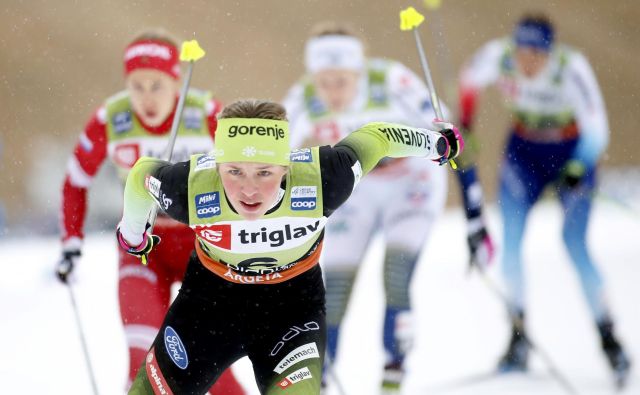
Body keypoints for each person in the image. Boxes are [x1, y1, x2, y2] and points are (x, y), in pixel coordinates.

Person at [118, 98, 462, 394]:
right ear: (217, 164)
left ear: (287, 166)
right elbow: (141, 175)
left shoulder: (323, 178)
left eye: (264, 172)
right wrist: (133, 235)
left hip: (290, 312)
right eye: (234, 171)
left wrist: (436, 145)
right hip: (208, 309)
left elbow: (379, 138)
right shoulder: (191, 187)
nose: (248, 190)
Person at [282, 22, 494, 392]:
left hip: (412, 186)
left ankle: (393, 373)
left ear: (359, 71)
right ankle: (320, 375)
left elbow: (456, 141)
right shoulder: (303, 96)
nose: (332, 92)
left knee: (396, 276)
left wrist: (475, 218)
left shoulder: (391, 82)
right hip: (359, 192)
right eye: (324, 81)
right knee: (333, 289)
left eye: (342, 81)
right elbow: (276, 156)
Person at [55, 29, 244, 394]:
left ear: (176, 81)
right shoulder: (111, 118)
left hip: (201, 246)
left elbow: (249, 169)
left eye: (157, 85)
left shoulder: (204, 112)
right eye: (136, 86)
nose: (146, 97)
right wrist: (71, 242)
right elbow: (75, 181)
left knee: (207, 359)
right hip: (142, 248)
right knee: (144, 358)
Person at [458, 13, 631, 386]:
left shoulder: (571, 67)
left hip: (570, 153)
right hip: (524, 154)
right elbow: (469, 81)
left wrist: (577, 169)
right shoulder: (498, 56)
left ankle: (609, 339)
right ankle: (517, 338)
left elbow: (597, 126)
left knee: (574, 245)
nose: (527, 61)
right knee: (512, 243)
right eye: (523, 51)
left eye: (537, 54)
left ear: (550, 52)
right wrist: (466, 125)